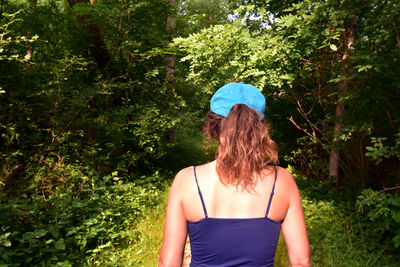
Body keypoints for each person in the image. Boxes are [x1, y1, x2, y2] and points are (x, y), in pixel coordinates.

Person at [159, 82, 311, 267]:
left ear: (213, 126)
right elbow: (301, 262)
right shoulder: (282, 181)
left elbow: (168, 263)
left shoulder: (187, 181)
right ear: (261, 128)